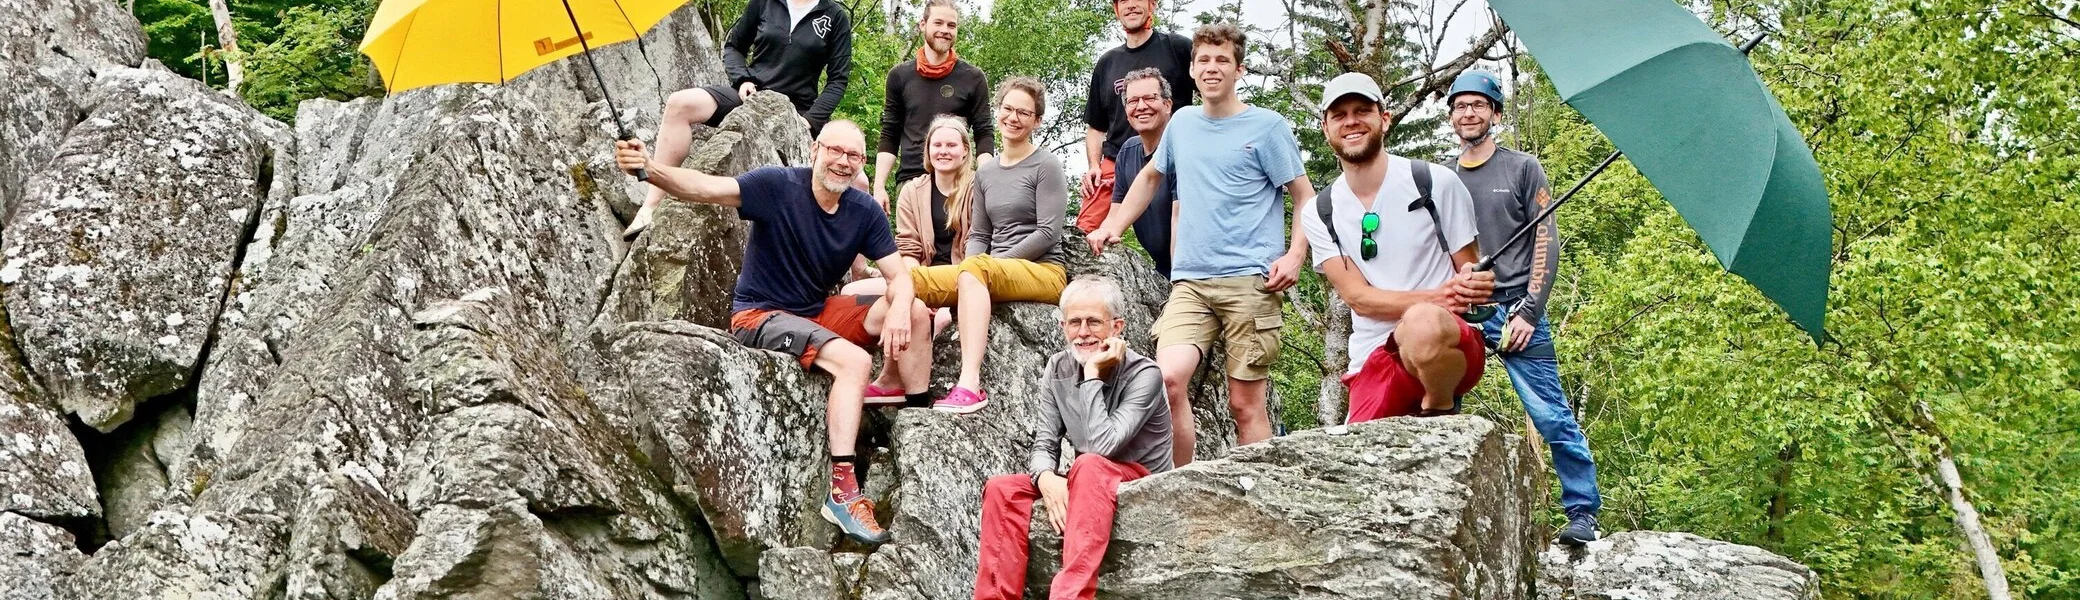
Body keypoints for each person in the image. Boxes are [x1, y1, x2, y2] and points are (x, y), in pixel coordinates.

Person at [613, 121, 926, 545]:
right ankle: (842, 492)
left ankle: (916, 420)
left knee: (918, 311)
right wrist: (650, 169)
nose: (843, 162)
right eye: (836, 150)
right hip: (760, 315)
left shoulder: (863, 210)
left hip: (815, 313)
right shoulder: (777, 186)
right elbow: (705, 187)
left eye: (854, 156)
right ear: (816, 150)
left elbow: (898, 276)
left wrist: (901, 308)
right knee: (854, 362)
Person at [1087, 23, 1314, 467]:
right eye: (1204, 60)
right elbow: (1149, 178)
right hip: (1190, 281)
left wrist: (1295, 254)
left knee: (1244, 405)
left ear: (1239, 69)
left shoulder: (1267, 127)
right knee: (1167, 380)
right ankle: (1180, 484)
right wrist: (1113, 224)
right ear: (1191, 69)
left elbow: (1304, 196)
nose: (1212, 68)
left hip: (1251, 280)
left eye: (1222, 60)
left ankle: (1262, 499)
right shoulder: (1184, 124)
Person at [1447, 70, 1602, 546]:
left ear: (1495, 113)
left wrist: (1530, 312)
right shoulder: (1442, 178)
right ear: (1451, 116)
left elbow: (1546, 240)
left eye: (1478, 105)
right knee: (1438, 410)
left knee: (1551, 414)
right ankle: (1446, 507)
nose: (1468, 113)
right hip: (1460, 310)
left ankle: (1582, 513)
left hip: (1515, 308)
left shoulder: (1523, 168)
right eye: (1459, 106)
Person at [1298, 71, 1493, 422]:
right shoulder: (1320, 210)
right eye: (1339, 116)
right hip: (1375, 356)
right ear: (1326, 129)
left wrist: (1474, 284)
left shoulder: (1436, 183)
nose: (1351, 122)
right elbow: (1358, 298)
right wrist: (1438, 297)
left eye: (1362, 111)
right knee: (1357, 465)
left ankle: (1438, 410)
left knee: (1422, 323)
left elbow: (1468, 269)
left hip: (1449, 345)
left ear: (1384, 119)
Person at [972, 275, 1172, 600]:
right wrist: (1045, 477)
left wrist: (1093, 374)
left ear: (1117, 326)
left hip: (1140, 480)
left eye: (1094, 322)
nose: (1082, 332)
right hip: (1087, 478)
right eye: (1074, 322)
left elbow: (1102, 446)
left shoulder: (1144, 374)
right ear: (1063, 326)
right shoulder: (1058, 367)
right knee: (1002, 489)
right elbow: (1044, 444)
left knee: (1089, 464)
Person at [899, 78, 1070, 413]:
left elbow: (1048, 232)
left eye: (1024, 112)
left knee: (975, 270)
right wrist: (969, 272)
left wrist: (987, 266)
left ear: (1036, 121)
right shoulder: (986, 172)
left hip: (1044, 271)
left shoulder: (1046, 165)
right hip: (988, 270)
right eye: (1008, 109)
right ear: (998, 111)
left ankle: (969, 384)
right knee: (908, 282)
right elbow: (978, 234)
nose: (1014, 117)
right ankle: (893, 380)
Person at [623, 0, 855, 238]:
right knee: (679, 104)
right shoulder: (764, 3)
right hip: (751, 95)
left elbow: (838, 80)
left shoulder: (834, 16)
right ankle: (650, 205)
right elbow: (734, 47)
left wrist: (810, 121)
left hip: (799, 110)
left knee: (858, 182)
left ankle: (849, 262)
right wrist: (742, 80)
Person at [1075, 0, 1194, 234]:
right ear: (1116, 8)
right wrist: (1093, 166)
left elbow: (1211, 92)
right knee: (1084, 232)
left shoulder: (1177, 48)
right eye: (1123, 1)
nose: (1130, 5)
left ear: (1152, 5)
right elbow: (1096, 127)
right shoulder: (1107, 63)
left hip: (1171, 156)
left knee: (1177, 228)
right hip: (1118, 159)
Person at [871, 0, 995, 207]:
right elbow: (889, 133)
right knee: (909, 241)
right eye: (938, 23)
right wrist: (879, 187)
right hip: (911, 182)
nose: (945, 30)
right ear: (923, 25)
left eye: (951, 25)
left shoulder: (973, 78)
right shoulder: (899, 76)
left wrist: (984, 182)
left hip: (959, 184)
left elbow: (984, 132)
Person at [1108, 68, 1179, 278]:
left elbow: (1180, 218)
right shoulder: (1128, 152)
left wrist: (1179, 283)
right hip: (1162, 267)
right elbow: (1115, 215)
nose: (1141, 106)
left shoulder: (1182, 146)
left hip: (1193, 268)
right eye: (1133, 101)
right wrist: (1101, 238)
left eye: (1150, 98)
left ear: (1167, 104)